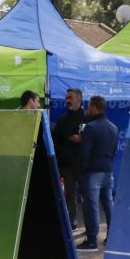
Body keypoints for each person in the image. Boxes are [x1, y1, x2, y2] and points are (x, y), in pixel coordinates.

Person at [77, 95, 118, 251]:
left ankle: (92, 241)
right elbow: (114, 150)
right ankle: (112, 237)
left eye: (89, 106)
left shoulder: (90, 127)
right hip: (108, 170)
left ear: (94, 107)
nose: (88, 109)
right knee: (108, 204)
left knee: (91, 206)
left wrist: (83, 169)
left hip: (93, 171)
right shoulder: (113, 127)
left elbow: (85, 153)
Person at [53, 88, 86, 229]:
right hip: (67, 166)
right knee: (70, 195)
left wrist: (82, 139)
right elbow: (56, 142)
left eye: (71, 97)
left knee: (87, 195)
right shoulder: (62, 120)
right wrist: (61, 162)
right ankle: (73, 220)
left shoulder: (88, 118)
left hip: (84, 165)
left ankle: (90, 224)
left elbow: (95, 139)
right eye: (67, 98)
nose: (68, 100)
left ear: (79, 99)